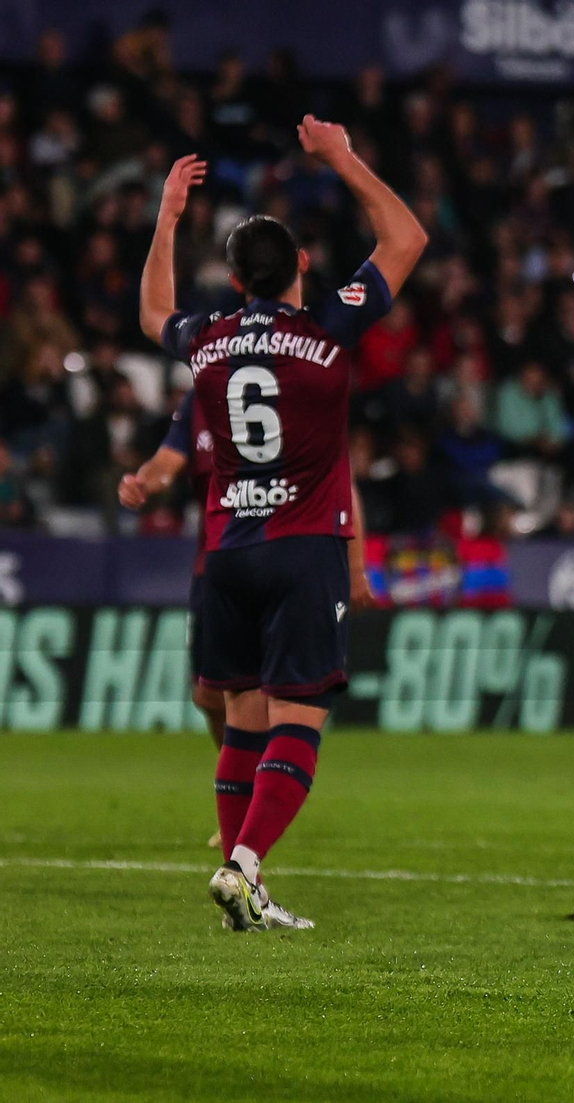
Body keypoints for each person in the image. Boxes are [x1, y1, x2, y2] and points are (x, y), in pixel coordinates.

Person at [138, 119, 426, 932]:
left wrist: (166, 215)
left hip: (227, 553)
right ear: (302, 265)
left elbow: (154, 310)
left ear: (233, 279)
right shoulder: (329, 329)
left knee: (244, 720)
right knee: (297, 723)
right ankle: (244, 865)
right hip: (304, 550)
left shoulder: (208, 339)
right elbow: (407, 236)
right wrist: (342, 158)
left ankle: (243, 893)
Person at [118, 392, 378, 852]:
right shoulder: (202, 398)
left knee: (279, 703)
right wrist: (145, 481)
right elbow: (167, 460)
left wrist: (355, 566)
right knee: (211, 696)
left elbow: (342, 481)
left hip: (291, 557)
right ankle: (245, 808)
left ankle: (249, 822)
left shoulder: (291, 384)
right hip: (221, 565)